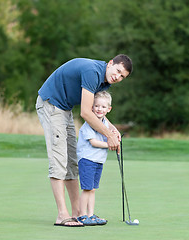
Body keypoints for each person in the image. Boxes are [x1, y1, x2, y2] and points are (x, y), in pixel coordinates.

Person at [35, 54, 133, 227]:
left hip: (64, 110)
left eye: (122, 76)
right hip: (51, 104)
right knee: (59, 159)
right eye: (117, 71)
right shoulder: (92, 72)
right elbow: (86, 113)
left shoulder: (105, 83)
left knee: (72, 162)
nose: (118, 77)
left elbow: (96, 113)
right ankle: (62, 215)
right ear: (110, 63)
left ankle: (78, 213)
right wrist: (109, 136)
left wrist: (112, 129)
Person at [76, 91, 112, 226]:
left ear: (108, 109)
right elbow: (94, 142)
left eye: (103, 107)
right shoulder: (89, 124)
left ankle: (91, 215)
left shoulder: (105, 124)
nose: (99, 109)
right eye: (96, 106)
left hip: (98, 161)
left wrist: (115, 137)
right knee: (87, 188)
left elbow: (109, 134)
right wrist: (110, 145)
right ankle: (82, 215)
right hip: (87, 160)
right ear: (91, 107)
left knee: (92, 189)